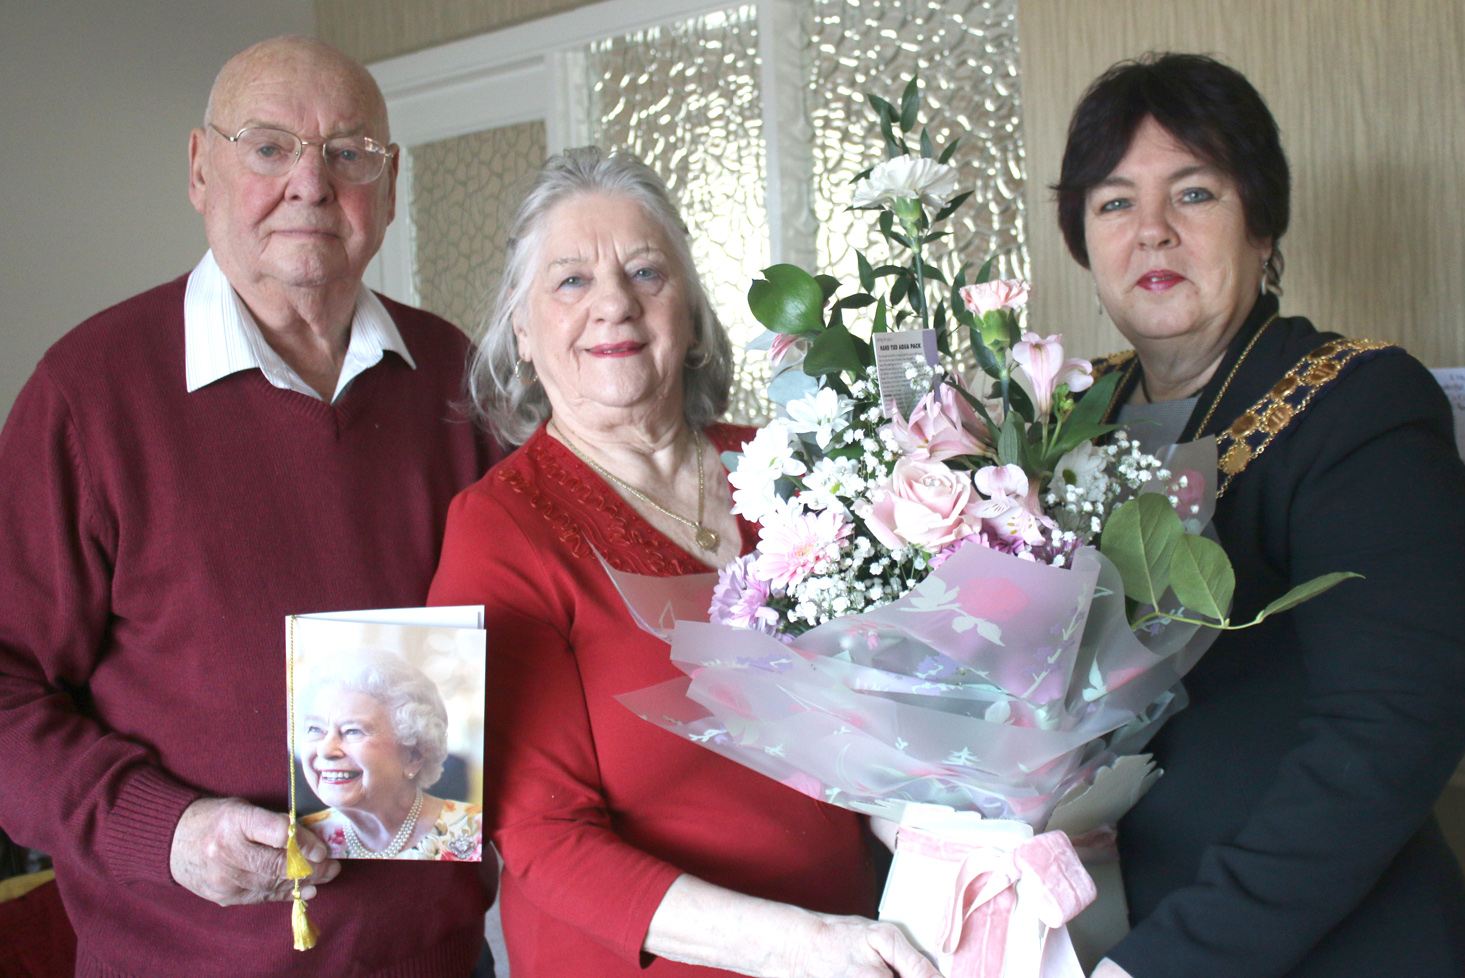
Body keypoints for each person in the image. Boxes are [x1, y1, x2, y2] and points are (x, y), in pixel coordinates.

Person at [0, 35, 503, 978]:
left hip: (442, 961)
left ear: (387, 191)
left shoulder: (457, 379)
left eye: (349, 154)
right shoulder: (89, 394)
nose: (311, 184)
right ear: (201, 168)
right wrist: (170, 831)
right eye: (269, 146)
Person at [427, 147, 938, 978]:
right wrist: (808, 947)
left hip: (870, 949)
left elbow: (891, 715)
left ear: (691, 312)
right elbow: (544, 842)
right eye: (570, 282)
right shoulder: (498, 530)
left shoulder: (791, 468)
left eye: (645, 272)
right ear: (522, 330)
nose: (614, 306)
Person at [1051, 53, 1465, 978]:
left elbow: (1391, 727)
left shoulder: (1363, 403)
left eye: (1196, 193)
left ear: (1263, 227)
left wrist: (1169, 964)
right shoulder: (1066, 421)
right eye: (1115, 202)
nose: (1153, 232)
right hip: (1105, 926)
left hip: (1318, 942)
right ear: (1084, 239)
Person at [299, 650, 482, 862]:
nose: (325, 750)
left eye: (353, 731)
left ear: (413, 756)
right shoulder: (304, 839)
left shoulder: (474, 831)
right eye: (315, 729)